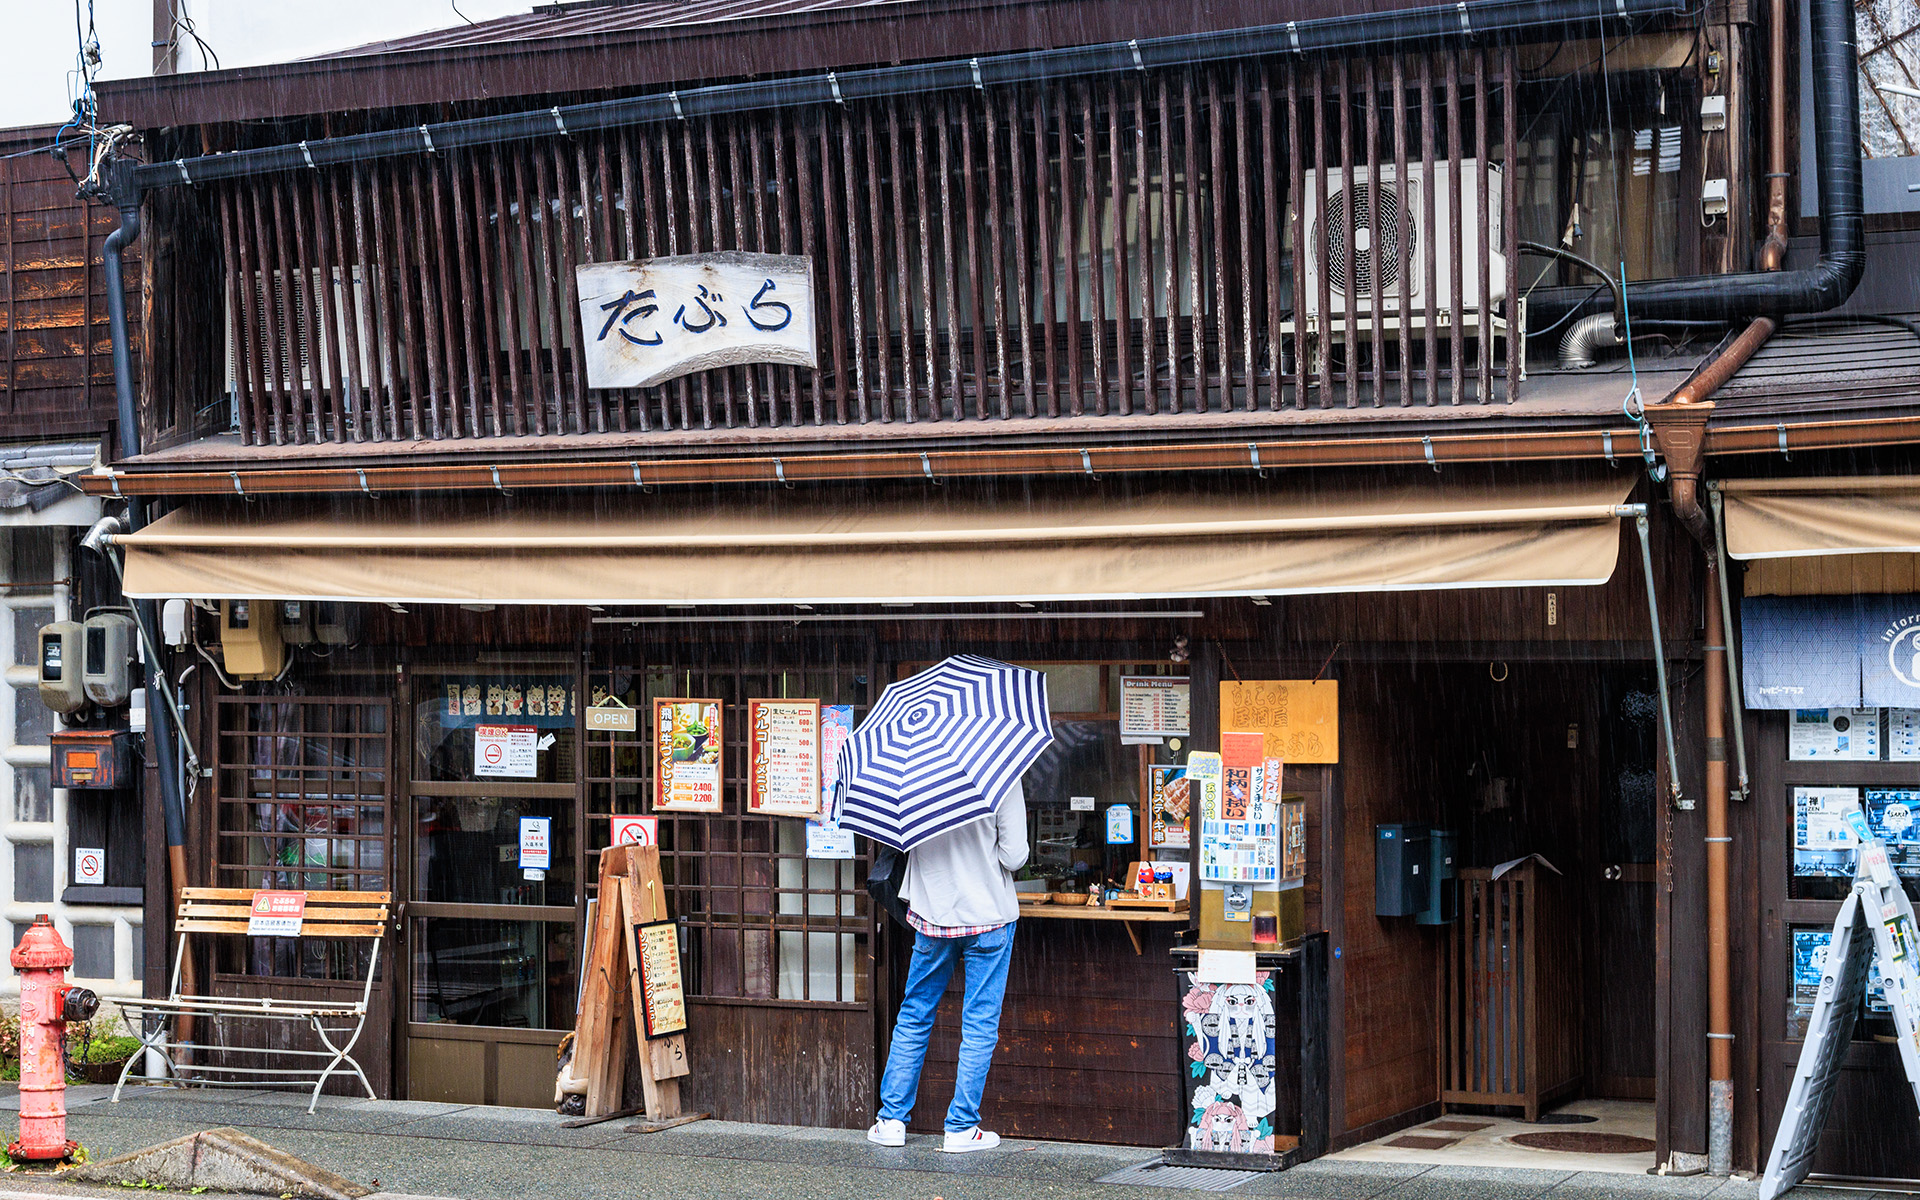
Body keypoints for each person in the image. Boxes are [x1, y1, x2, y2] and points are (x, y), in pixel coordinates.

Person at [867, 778, 1029, 1153]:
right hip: (988, 912)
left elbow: (903, 840)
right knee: (980, 1022)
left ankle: (891, 1121)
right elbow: (1015, 856)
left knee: (915, 1014)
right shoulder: (999, 770)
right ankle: (961, 1127)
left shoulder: (914, 770)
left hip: (932, 911)